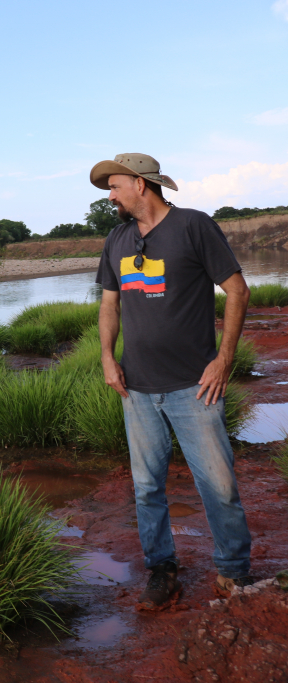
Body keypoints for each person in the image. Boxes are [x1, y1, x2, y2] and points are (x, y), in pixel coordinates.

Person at [92, 153, 254, 609]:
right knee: (146, 488)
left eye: (115, 185)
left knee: (219, 487)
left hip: (194, 386)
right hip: (136, 389)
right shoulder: (117, 239)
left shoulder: (194, 226)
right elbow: (110, 304)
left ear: (141, 185)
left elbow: (238, 289)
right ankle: (162, 570)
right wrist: (108, 357)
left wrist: (224, 359)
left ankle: (234, 574)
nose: (110, 195)